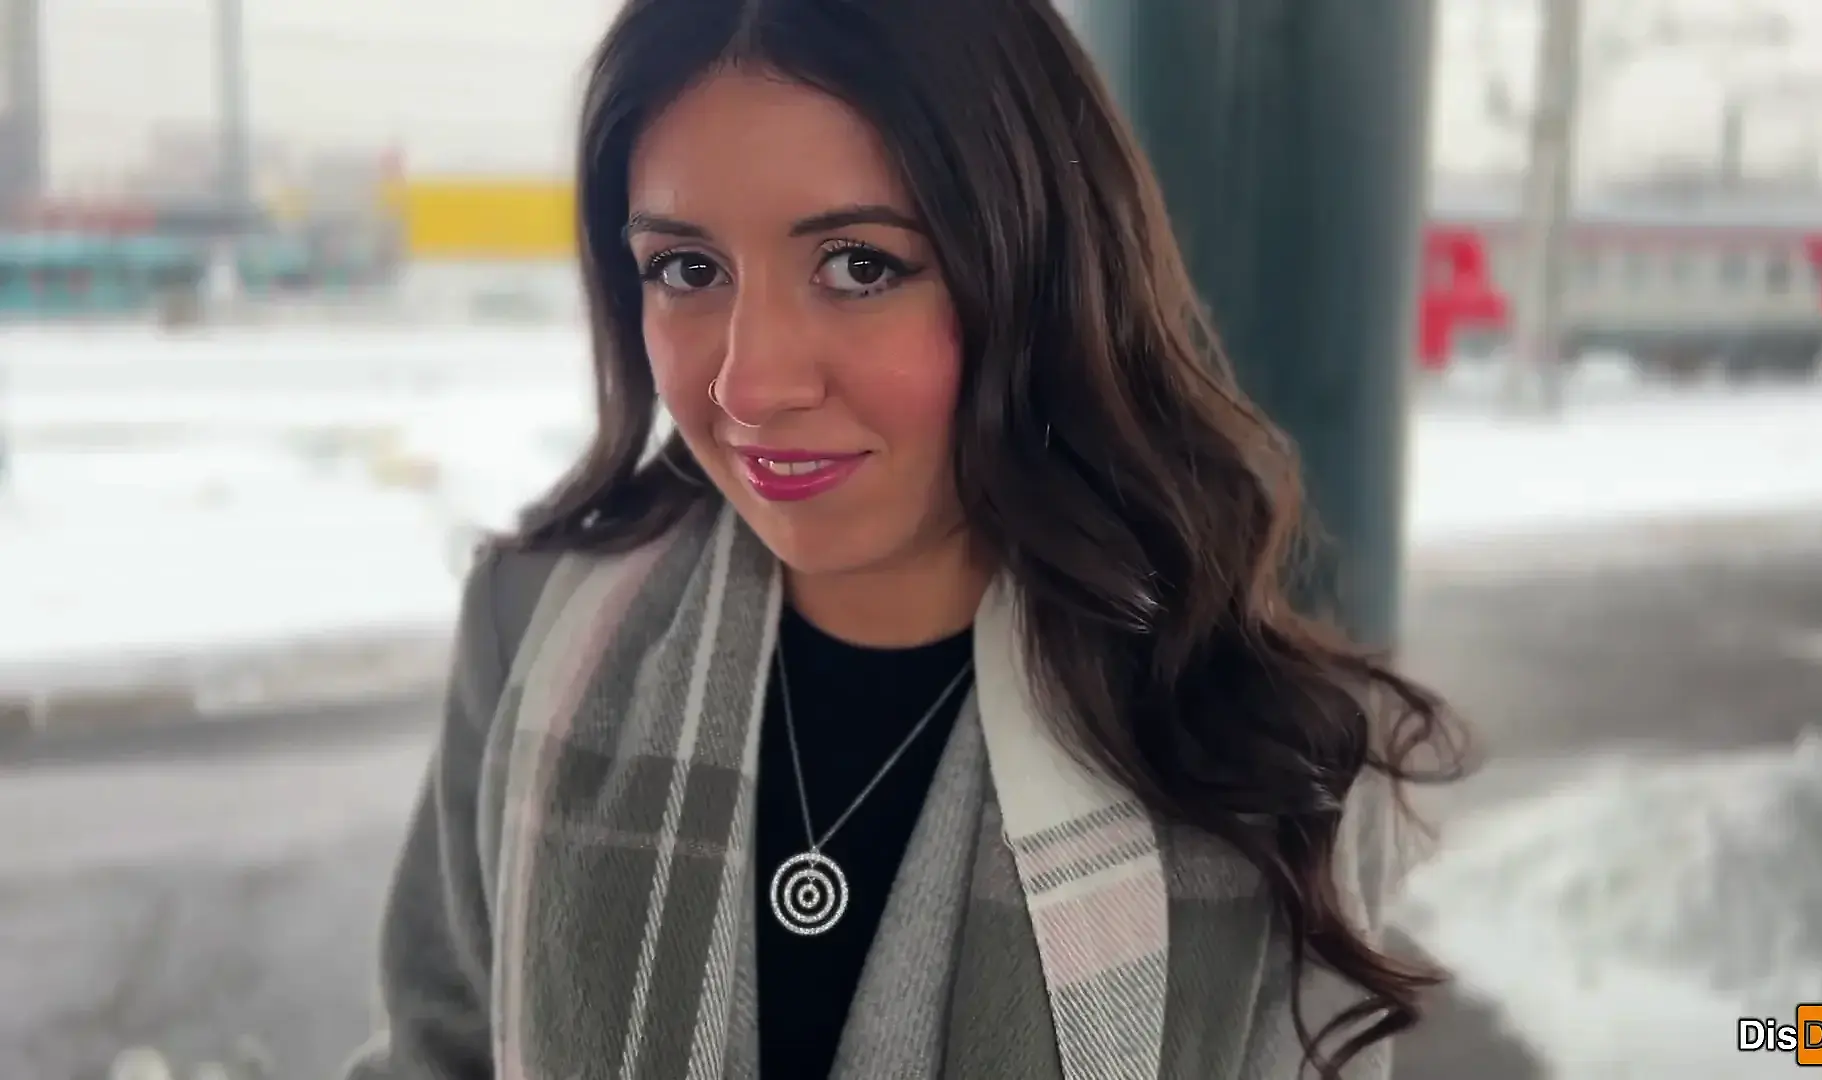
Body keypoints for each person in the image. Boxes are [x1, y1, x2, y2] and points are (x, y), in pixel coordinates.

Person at [345, 0, 1468, 1077]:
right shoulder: (534, 630)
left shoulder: (1270, 760)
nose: (749, 384)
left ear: (1038, 276)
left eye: (859, 266)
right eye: (687, 270)